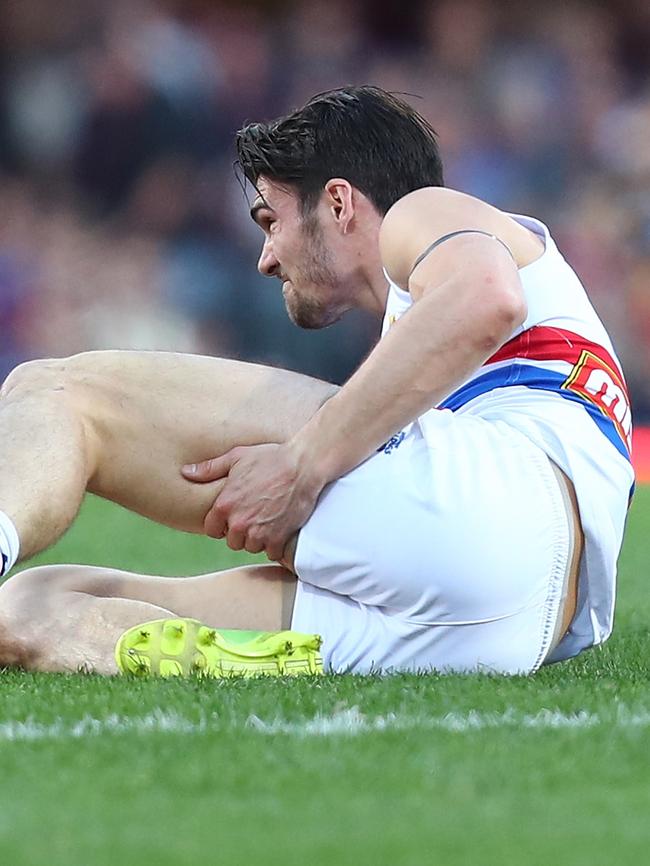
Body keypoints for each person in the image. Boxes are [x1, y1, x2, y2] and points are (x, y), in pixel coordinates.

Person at [0, 86, 634, 677]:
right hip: (512, 632)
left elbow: (488, 296)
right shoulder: (424, 330)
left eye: (270, 220)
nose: (265, 257)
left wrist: (302, 464)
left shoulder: (423, 212)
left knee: (57, 394)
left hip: (493, 511)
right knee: (36, 600)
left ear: (338, 201)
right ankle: (210, 654)